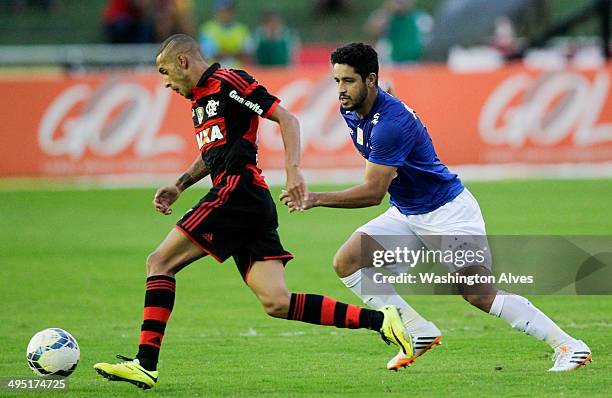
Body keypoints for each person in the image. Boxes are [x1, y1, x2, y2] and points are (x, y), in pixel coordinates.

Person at [93, 34, 411, 390]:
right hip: (249, 202)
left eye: (165, 71)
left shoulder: (229, 81)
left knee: (159, 263)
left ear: (183, 62)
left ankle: (145, 363)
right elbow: (214, 150)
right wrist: (180, 184)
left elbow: (287, 119)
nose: (165, 82)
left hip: (236, 192)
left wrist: (293, 171)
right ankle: (381, 321)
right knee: (276, 302)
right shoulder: (199, 100)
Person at [280, 42, 593, 372]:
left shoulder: (390, 125)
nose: (340, 91)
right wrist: (387, 93)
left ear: (369, 80)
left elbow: (373, 193)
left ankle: (569, 345)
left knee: (478, 294)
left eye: (348, 81)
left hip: (448, 212)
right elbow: (385, 99)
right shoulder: (354, 108)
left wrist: (314, 198)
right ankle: (417, 331)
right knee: (347, 261)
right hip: (408, 212)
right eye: (336, 81)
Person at [366, 0, 431, 64]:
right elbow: (373, 30)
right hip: (390, 63)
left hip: (414, 64)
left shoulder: (421, 17)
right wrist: (389, 10)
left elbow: (428, 42)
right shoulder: (387, 16)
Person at [199, 0, 251, 68]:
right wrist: (234, 53)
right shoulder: (207, 29)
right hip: (215, 73)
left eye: (229, 10)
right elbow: (209, 54)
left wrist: (225, 53)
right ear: (216, 11)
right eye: (223, 11)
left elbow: (247, 55)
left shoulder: (242, 30)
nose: (226, 14)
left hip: (238, 73)